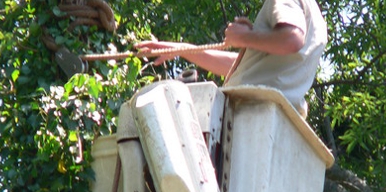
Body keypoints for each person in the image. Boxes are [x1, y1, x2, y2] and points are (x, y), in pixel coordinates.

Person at [135, 0, 327, 117]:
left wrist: (243, 37)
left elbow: (291, 39)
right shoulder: (315, 18)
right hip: (266, 118)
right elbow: (249, 69)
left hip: (248, 115)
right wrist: (183, 49)